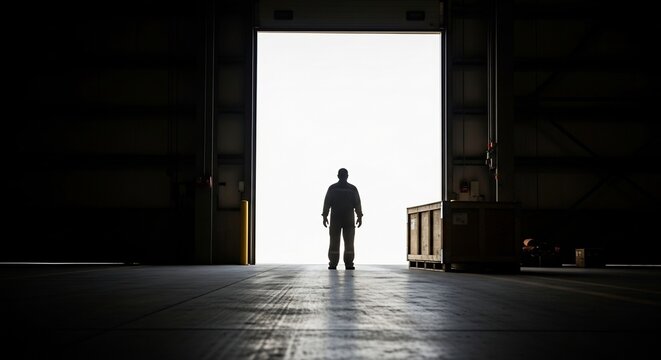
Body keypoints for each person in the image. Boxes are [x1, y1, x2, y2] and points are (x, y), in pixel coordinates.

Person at [322, 168, 363, 270]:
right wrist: (359, 216)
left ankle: (333, 264)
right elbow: (357, 204)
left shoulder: (332, 188)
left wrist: (325, 216)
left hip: (335, 218)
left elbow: (327, 203)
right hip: (349, 218)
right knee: (349, 242)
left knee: (334, 241)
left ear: (338, 176)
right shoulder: (353, 189)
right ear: (347, 176)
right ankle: (349, 264)